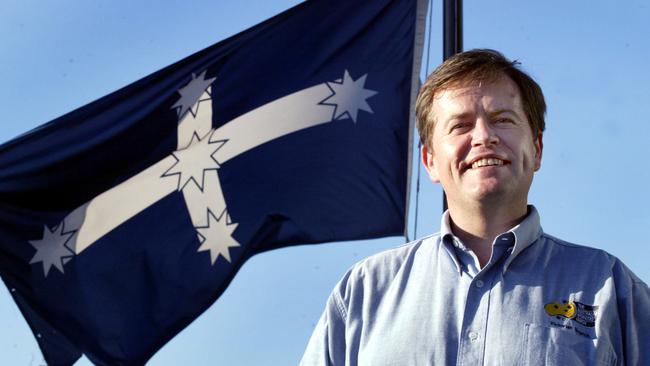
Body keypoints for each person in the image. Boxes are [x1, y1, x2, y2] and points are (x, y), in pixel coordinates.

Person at [300, 49, 650, 365]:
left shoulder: (610, 287)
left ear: (537, 149)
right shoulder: (364, 291)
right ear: (430, 161)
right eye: (460, 125)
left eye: (503, 119)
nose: (484, 136)